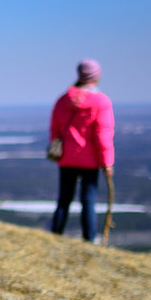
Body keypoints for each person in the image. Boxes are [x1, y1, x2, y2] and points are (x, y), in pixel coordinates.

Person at [49, 59, 115, 243]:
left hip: (66, 157)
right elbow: (103, 135)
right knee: (88, 200)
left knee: (64, 199)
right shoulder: (101, 101)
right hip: (90, 160)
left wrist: (57, 151)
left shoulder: (63, 100)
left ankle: (55, 236)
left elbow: (54, 130)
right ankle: (89, 240)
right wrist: (107, 162)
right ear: (96, 76)